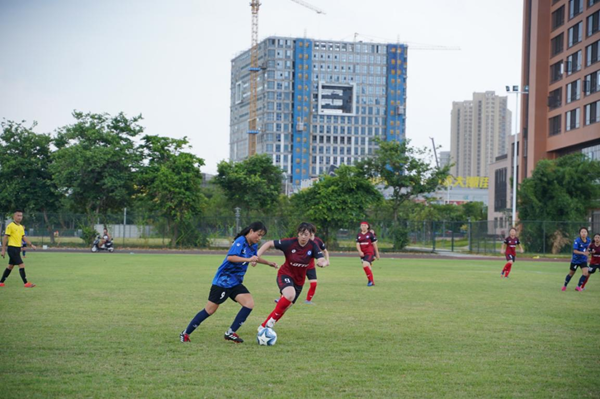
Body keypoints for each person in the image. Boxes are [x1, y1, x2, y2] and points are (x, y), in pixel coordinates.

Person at [180, 221, 277, 344]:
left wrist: (268, 263)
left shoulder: (252, 245)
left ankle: (230, 333)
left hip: (235, 283)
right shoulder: (240, 241)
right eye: (258, 234)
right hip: (223, 282)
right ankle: (185, 334)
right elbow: (231, 257)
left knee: (249, 303)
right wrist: (248, 259)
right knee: (209, 310)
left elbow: (255, 258)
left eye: (262, 236)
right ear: (251, 231)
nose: (259, 238)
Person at [257, 222, 329, 333]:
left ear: (310, 235)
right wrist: (257, 256)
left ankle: (263, 326)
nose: (303, 237)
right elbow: (269, 243)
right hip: (285, 274)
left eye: (306, 234)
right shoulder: (290, 243)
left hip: (299, 281)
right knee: (290, 294)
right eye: (301, 234)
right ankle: (270, 323)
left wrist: (322, 263)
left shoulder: (313, 246)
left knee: (285, 306)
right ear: (298, 234)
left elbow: (321, 258)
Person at [1, 211, 37, 288]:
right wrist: (3, 249)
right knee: (21, 264)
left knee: (10, 266)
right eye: (18, 215)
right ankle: (26, 283)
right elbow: (5, 237)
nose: (20, 217)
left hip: (17, 249)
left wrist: (31, 245)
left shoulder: (21, 227)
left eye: (21, 216)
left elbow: (23, 237)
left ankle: (1, 282)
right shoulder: (10, 226)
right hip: (12, 248)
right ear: (14, 216)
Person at [562, 227, 590, 292]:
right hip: (575, 260)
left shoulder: (589, 240)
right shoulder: (577, 241)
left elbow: (589, 249)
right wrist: (583, 253)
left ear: (587, 233)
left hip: (583, 260)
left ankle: (578, 286)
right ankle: (565, 285)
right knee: (571, 274)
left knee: (585, 273)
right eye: (582, 232)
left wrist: (590, 251)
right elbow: (575, 251)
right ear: (580, 233)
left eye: (585, 232)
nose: (583, 233)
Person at [356, 221, 379, 286]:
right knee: (368, 267)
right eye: (362, 225)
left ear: (367, 226)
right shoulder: (358, 235)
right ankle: (371, 282)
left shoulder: (370, 234)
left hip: (369, 252)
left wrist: (376, 254)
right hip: (362, 253)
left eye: (364, 225)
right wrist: (360, 251)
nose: (363, 227)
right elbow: (357, 244)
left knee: (365, 264)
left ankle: (370, 281)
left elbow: (374, 244)